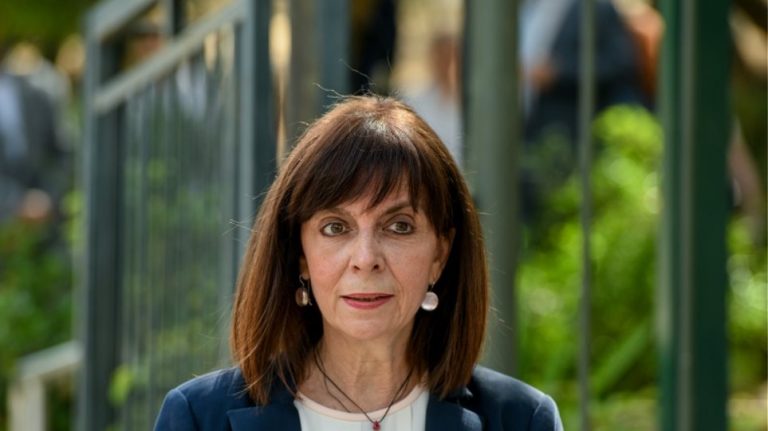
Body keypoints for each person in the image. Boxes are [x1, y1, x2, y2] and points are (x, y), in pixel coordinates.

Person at [153, 96, 563, 430]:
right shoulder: (198, 418)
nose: (365, 260)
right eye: (336, 227)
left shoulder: (522, 420)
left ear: (440, 254)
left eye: (399, 226)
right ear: (300, 255)